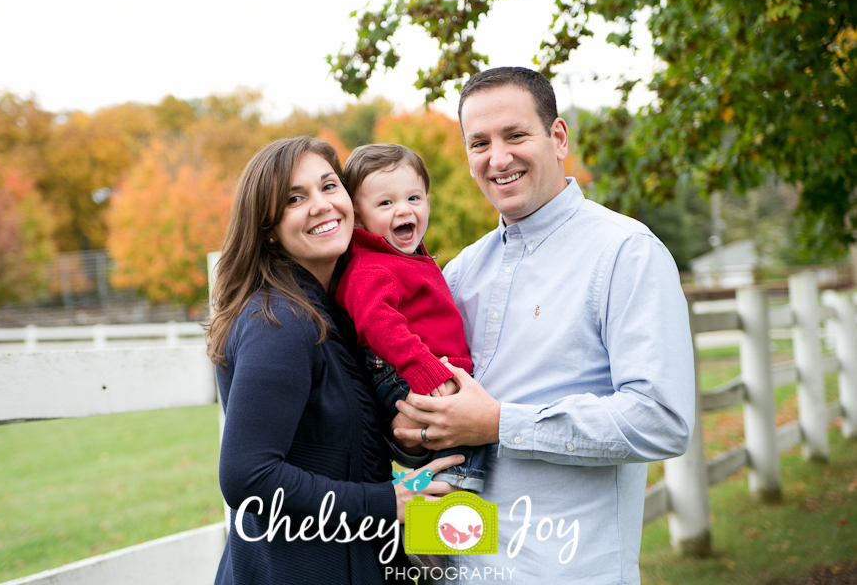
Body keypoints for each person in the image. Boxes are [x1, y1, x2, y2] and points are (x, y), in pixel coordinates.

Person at [393, 67, 696, 583]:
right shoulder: (459, 273)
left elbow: (661, 419)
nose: (498, 158)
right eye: (479, 143)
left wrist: (499, 424)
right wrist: (415, 439)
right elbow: (458, 438)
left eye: (515, 135)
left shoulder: (625, 252)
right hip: (461, 567)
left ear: (557, 138)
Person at [206, 136, 460, 585]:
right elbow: (246, 476)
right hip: (297, 571)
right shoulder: (280, 320)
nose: (321, 205)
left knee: (479, 551)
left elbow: (344, 457)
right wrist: (389, 502)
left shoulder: (333, 310)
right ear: (267, 226)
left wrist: (412, 444)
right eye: (294, 198)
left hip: (354, 557)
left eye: (329, 186)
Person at [335, 144, 489, 493]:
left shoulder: (403, 257)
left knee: (464, 448)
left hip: (426, 367)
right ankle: (435, 523)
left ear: (428, 203)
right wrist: (422, 369)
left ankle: (439, 519)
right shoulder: (369, 267)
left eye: (414, 198)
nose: (403, 209)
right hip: (408, 371)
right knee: (461, 460)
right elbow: (378, 324)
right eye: (386, 203)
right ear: (358, 217)